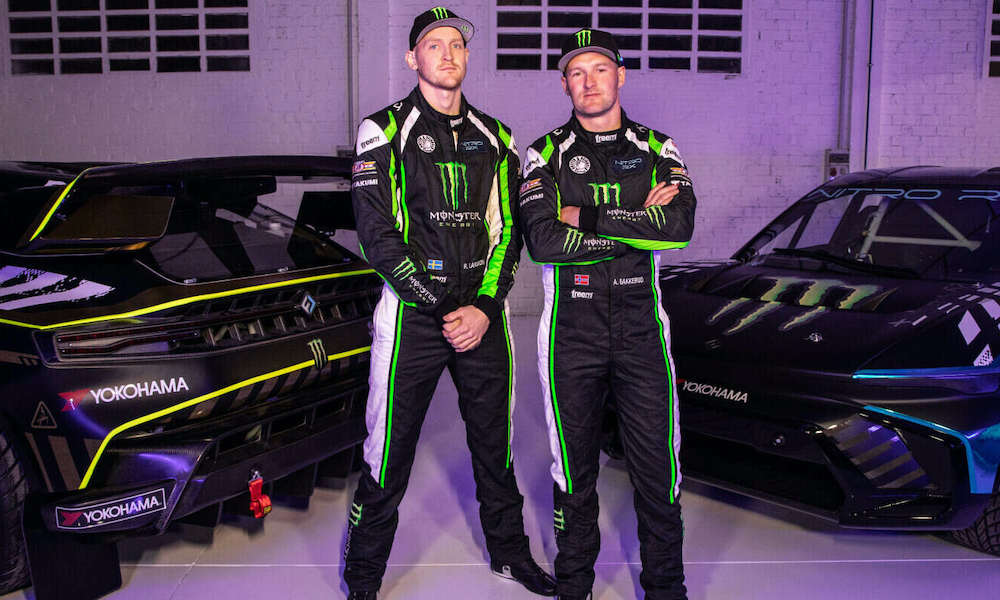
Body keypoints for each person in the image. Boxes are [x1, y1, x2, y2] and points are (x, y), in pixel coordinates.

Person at [344, 7, 556, 600]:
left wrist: (485, 308)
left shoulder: (498, 136)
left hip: (482, 318)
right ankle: (363, 576)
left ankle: (509, 556)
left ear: (466, 56)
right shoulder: (381, 130)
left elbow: (508, 232)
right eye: (433, 44)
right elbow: (377, 238)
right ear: (412, 57)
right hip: (413, 315)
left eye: (457, 44)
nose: (447, 53)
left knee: (495, 447)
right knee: (386, 453)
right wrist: (441, 308)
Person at [518, 28, 696, 600]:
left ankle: (666, 590)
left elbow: (678, 228)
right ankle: (575, 587)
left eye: (599, 69)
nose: (589, 82)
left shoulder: (659, 148)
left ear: (621, 75)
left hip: (643, 331)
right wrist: (636, 223)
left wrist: (586, 215)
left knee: (658, 471)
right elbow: (544, 242)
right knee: (573, 474)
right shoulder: (542, 153)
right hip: (570, 333)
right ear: (564, 83)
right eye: (577, 72)